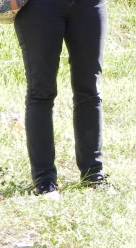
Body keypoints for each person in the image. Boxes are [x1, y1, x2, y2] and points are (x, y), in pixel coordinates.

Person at [14, 0, 108, 197]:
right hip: (39, 7)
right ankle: (44, 182)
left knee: (90, 90)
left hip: (89, 5)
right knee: (41, 92)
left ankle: (94, 176)